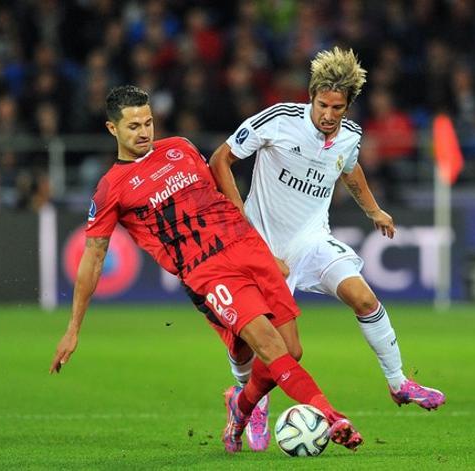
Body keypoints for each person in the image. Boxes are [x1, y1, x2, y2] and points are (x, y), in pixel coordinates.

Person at [49, 85, 364, 453]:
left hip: (248, 250)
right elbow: (94, 257)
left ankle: (240, 404)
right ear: (112, 129)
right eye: (133, 126)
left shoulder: (180, 148)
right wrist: (74, 328)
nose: (144, 132)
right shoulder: (111, 189)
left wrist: (253, 235)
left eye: (148, 122)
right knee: (267, 345)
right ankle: (331, 415)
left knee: (291, 350)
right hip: (208, 270)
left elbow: (217, 193)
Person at [210, 47, 446, 450]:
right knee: (281, 349)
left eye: (338, 107)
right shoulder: (280, 120)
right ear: (311, 97)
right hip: (262, 247)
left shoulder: (350, 136)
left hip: (312, 241)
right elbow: (220, 159)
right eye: (323, 105)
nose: (329, 115)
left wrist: (374, 210)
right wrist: (242, 226)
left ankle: (398, 383)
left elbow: (350, 170)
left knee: (364, 298)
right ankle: (247, 399)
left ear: (348, 105)